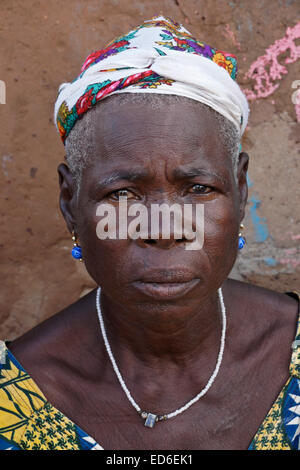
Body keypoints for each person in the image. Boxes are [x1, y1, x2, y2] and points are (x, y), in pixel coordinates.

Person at [0, 15, 299, 451]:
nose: (164, 230)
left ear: (240, 189)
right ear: (70, 203)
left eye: (199, 188)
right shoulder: (13, 404)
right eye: (122, 193)